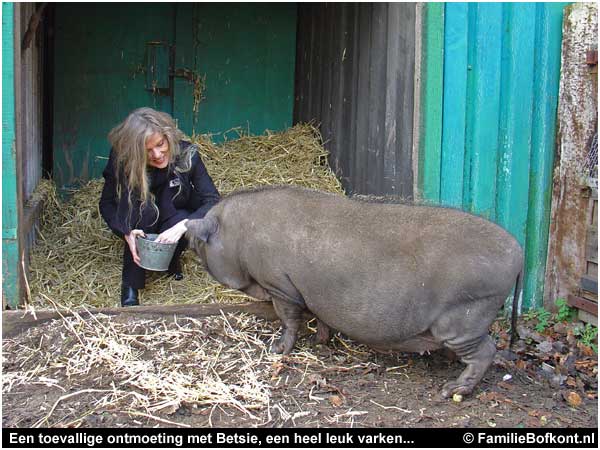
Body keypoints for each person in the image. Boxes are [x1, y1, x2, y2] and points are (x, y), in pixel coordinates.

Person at [99, 107, 220, 307]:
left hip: (175, 212)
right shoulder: (122, 159)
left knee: (183, 219)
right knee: (139, 213)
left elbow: (213, 199)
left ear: (167, 136)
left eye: (160, 144)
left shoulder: (187, 154)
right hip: (141, 217)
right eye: (147, 150)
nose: (157, 154)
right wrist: (125, 232)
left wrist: (185, 225)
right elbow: (107, 203)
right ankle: (131, 284)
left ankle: (172, 259)